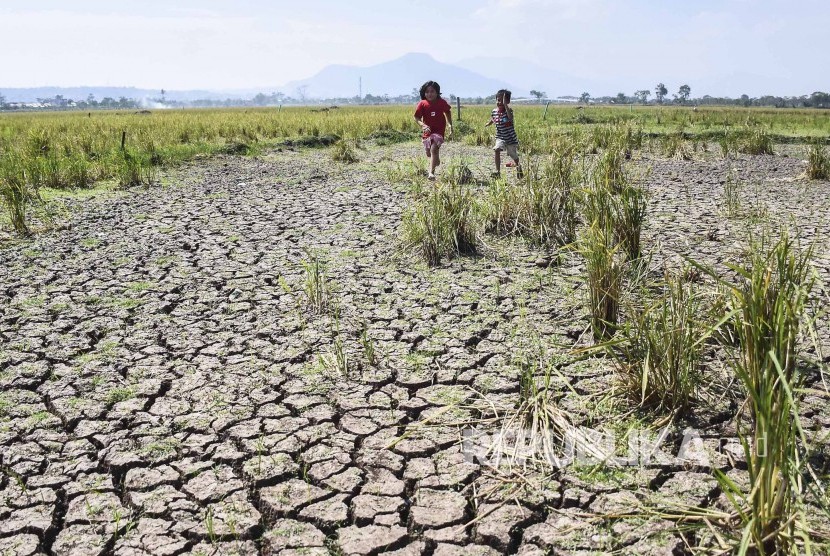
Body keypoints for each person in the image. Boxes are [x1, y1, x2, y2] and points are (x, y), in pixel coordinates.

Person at [414, 81, 452, 180]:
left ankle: (431, 173)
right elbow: (417, 118)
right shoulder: (422, 104)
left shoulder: (441, 102)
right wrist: (423, 125)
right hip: (427, 133)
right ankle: (436, 159)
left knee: (434, 149)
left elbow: (448, 112)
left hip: (439, 131)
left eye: (432, 91)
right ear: (424, 93)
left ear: (437, 92)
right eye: (427, 92)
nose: (429, 94)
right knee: (429, 153)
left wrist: (449, 124)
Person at [485, 89, 522, 178]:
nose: (500, 102)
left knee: (513, 155)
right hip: (500, 137)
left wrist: (505, 105)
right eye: (498, 100)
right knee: (497, 149)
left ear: (508, 101)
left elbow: (510, 117)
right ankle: (498, 172)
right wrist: (489, 123)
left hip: (510, 138)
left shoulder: (509, 111)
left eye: (503, 100)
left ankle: (518, 167)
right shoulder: (494, 111)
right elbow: (493, 119)